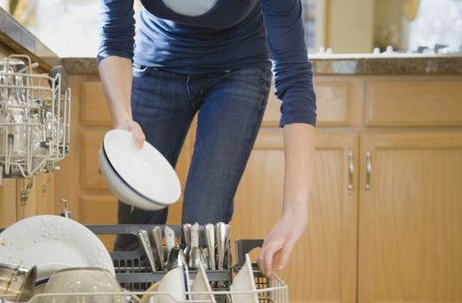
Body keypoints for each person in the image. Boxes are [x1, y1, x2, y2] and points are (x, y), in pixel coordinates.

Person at [97, 0, 316, 277]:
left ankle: (199, 301)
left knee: (203, 231)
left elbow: (294, 77)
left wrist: (295, 209)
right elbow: (115, 37)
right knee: (137, 226)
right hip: (157, 66)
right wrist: (123, 119)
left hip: (238, 70)